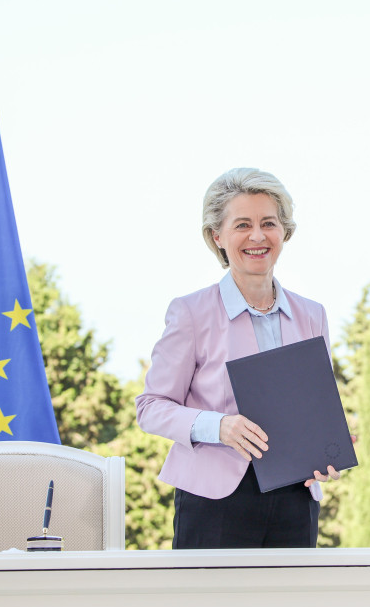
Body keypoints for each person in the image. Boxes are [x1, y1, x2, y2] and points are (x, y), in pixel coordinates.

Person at [136, 168, 339, 549]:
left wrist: (326, 448)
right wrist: (219, 426)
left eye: (269, 223)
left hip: (296, 498)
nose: (258, 236)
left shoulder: (313, 315)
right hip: (214, 500)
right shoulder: (191, 313)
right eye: (243, 224)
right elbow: (150, 407)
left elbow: (315, 406)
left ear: (285, 232)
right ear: (217, 236)